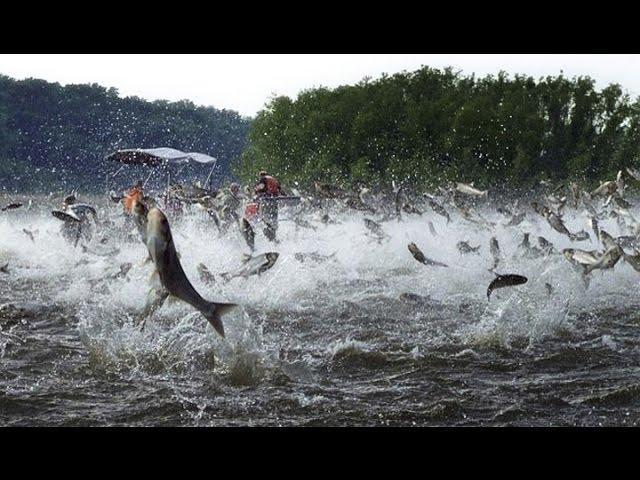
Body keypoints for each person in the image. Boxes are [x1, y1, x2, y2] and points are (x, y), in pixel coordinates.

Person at [254, 171, 283, 241]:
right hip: (274, 202)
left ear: (261, 175)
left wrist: (255, 190)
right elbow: (280, 190)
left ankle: (268, 235)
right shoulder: (274, 179)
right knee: (274, 219)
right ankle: (274, 236)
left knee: (264, 218)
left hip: (266, 202)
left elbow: (260, 188)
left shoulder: (263, 179)